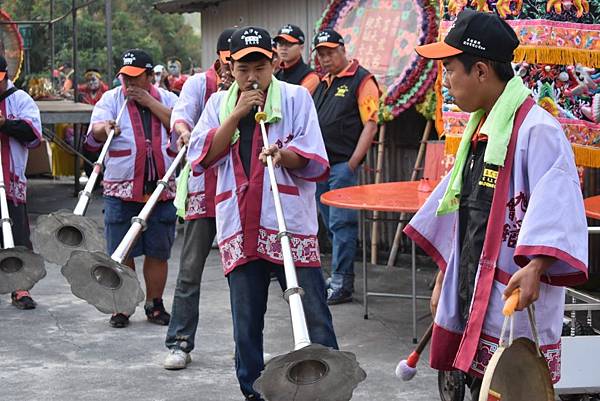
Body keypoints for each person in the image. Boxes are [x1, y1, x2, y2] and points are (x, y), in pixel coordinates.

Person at [406, 9, 588, 399]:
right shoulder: (480, 129)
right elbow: (464, 213)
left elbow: (559, 205)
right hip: (470, 287)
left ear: (482, 71)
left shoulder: (537, 130)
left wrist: (538, 265)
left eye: (451, 69)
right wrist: (445, 276)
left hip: (510, 297)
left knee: (507, 389)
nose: (447, 80)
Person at [188, 26, 338, 401]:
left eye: (259, 66)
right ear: (231, 69)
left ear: (273, 62)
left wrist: (283, 156)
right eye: (243, 69)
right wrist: (236, 115)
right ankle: (252, 392)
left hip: (289, 224)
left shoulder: (296, 99)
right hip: (238, 226)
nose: (252, 76)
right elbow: (201, 157)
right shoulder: (218, 104)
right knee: (245, 323)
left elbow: (315, 156)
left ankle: (330, 387)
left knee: (314, 312)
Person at [85, 49, 179, 329]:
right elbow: (95, 131)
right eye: (126, 78)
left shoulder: (169, 99)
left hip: (162, 190)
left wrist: (150, 102)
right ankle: (123, 305)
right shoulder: (110, 99)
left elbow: (180, 126)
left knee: (158, 252)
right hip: (121, 191)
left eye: (137, 78)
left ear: (151, 77)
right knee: (121, 251)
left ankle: (155, 303)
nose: (130, 85)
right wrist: (105, 128)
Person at [163, 27, 236, 370]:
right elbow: (181, 116)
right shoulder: (198, 84)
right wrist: (182, 131)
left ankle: (247, 345)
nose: (233, 69)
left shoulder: (258, 89)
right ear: (220, 58)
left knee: (243, 274)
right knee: (190, 270)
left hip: (239, 194)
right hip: (204, 192)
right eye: (229, 61)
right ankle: (179, 342)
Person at [312, 28, 379, 305]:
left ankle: (342, 282)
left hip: (341, 166)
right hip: (320, 168)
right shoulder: (323, 82)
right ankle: (338, 277)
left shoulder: (362, 80)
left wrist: (352, 163)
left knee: (342, 225)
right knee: (330, 225)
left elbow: (371, 123)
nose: (326, 58)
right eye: (321, 54)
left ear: (342, 49)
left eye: (330, 52)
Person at [0, 56, 43, 310]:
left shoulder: (21, 100)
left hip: (11, 179)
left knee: (17, 236)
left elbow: (33, 135)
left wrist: (6, 124)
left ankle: (21, 288)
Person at [77, 69, 109, 180]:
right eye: (88, 81)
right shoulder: (83, 91)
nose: (91, 83)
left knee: (102, 152)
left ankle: (102, 177)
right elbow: (73, 90)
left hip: (102, 126)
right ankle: (91, 176)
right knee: (87, 151)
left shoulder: (106, 92)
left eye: (93, 80)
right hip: (87, 127)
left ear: (99, 80)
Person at [274, 24, 320, 94]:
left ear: (301, 48)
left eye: (289, 44)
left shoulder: (310, 77)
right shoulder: (276, 75)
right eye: (280, 44)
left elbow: (296, 102)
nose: (283, 48)